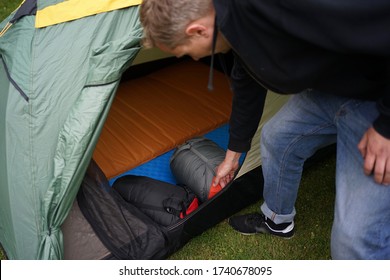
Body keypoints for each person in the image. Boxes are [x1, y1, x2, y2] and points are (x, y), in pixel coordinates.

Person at [139, 0, 390, 259]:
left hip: (376, 102)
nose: (192, 58)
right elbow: (248, 78)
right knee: (277, 139)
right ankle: (277, 221)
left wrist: (385, 128)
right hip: (332, 91)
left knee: (355, 240)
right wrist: (232, 156)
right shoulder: (234, 24)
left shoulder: (287, 8)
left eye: (185, 52)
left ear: (198, 31)